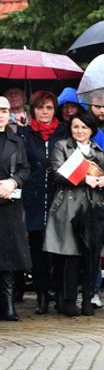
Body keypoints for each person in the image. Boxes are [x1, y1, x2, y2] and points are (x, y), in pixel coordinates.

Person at [44, 109, 104, 316]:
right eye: (75, 127)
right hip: (69, 206)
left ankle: (89, 299)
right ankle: (69, 300)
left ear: (91, 130)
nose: (80, 131)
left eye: (84, 127)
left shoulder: (98, 150)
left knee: (91, 256)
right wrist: (85, 179)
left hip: (94, 206)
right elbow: (57, 173)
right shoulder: (61, 146)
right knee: (71, 256)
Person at [19, 90, 57, 315]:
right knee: (37, 248)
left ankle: (59, 292)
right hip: (33, 198)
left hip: (58, 197)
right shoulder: (26, 134)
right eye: (41, 107)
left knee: (58, 249)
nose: (45, 112)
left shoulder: (62, 133)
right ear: (33, 110)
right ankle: (42, 294)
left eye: (49, 107)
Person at [0, 97, 31, 321]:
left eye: (4, 110)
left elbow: (25, 168)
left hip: (9, 202)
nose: (1, 114)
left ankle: (8, 304)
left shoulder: (16, 140)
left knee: (9, 255)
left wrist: (13, 182)